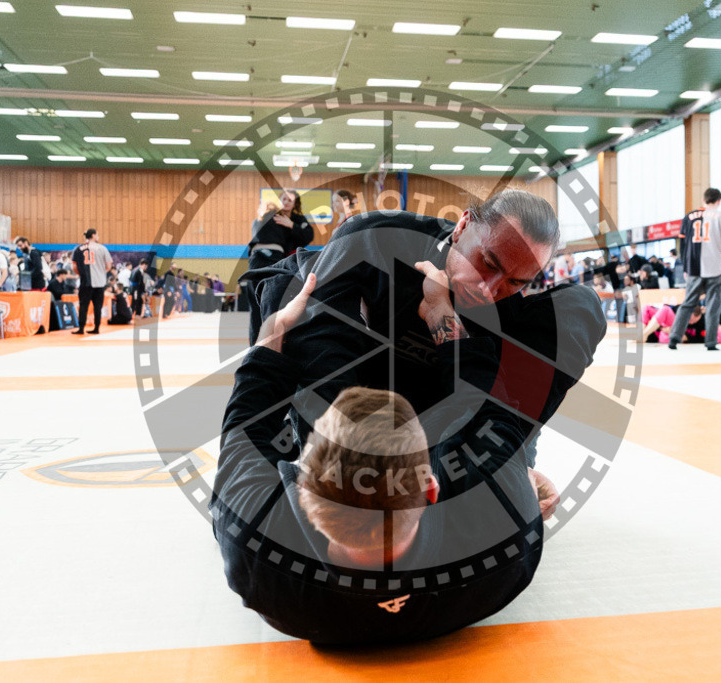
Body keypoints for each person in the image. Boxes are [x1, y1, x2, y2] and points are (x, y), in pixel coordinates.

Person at [214, 269, 561, 645]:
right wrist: (439, 308)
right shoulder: (501, 540)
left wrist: (274, 328)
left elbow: (244, 423)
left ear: (303, 490)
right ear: (432, 487)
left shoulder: (256, 554)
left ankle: (305, 281)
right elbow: (487, 403)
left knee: (291, 299)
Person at [241, 189, 606, 457]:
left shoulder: (505, 306)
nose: (489, 289)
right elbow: (325, 352)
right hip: (359, 380)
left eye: (516, 282)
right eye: (489, 263)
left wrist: (506, 459)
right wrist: (345, 458)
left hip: (432, 401)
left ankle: (506, 458)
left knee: (582, 307)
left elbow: (487, 392)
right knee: (289, 292)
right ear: (463, 225)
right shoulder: (379, 237)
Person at [668, 188, 721, 351]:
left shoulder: (688, 218)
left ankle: (674, 338)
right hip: (716, 267)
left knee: (688, 303)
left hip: (694, 268)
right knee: (713, 304)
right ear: (718, 201)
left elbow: (683, 246)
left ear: (704, 200)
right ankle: (711, 342)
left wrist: (685, 266)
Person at [247, 190, 314, 275]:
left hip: (283, 257)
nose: (286, 202)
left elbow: (308, 236)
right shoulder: (269, 214)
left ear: (294, 204)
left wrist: (292, 225)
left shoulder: (298, 220)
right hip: (259, 255)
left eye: (290, 200)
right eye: (284, 199)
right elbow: (257, 232)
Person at [70, 228, 113, 334]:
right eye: (97, 235)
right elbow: (108, 265)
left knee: (83, 306)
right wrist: (101, 273)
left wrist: (81, 274)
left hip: (85, 283)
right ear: (93, 235)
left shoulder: (78, 249)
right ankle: (97, 328)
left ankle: (81, 328)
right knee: (97, 306)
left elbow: (74, 267)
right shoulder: (102, 248)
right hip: (99, 283)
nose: (98, 237)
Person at [641, 304, 721, 346]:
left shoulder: (709, 328)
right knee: (645, 308)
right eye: (690, 319)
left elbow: (696, 338)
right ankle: (643, 333)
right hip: (665, 327)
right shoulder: (691, 311)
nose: (691, 322)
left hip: (673, 333)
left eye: (692, 321)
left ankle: (644, 334)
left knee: (665, 310)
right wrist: (661, 328)